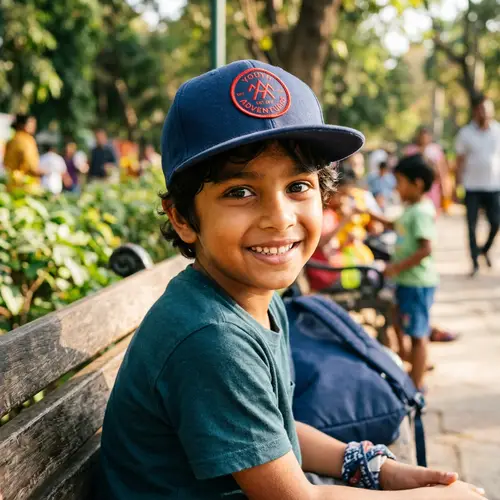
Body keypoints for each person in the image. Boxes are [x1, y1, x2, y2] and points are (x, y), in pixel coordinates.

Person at [99, 60, 485, 500]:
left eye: (298, 186)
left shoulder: (253, 299)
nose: (280, 218)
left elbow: (273, 432)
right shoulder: (211, 338)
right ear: (183, 218)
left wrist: (369, 465)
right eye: (240, 192)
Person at [382, 155, 438, 392]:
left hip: (417, 283)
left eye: (400, 182)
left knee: (418, 335)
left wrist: (396, 267)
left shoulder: (422, 212)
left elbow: (426, 248)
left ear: (417, 184)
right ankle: (413, 368)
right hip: (406, 282)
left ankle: (416, 387)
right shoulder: (410, 209)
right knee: (401, 323)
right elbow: (396, 225)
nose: (396, 187)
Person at [455, 94, 500, 277]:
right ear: (475, 111)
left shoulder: (498, 130)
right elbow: (459, 161)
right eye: (481, 109)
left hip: (494, 186)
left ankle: (485, 249)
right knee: (471, 226)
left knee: (496, 223)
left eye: (488, 109)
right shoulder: (465, 133)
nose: (485, 113)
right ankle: (474, 262)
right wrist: (456, 185)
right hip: (472, 187)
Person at [404, 126, 450, 213]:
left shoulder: (435, 150)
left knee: (431, 211)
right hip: (415, 187)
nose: (423, 139)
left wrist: (444, 188)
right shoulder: (411, 150)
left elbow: (442, 170)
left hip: (432, 188)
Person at [3, 114, 40, 191]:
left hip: (11, 182)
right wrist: (41, 172)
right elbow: (31, 165)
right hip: (25, 184)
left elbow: (5, 162)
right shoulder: (26, 140)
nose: (34, 127)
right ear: (22, 125)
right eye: (32, 124)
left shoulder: (12, 140)